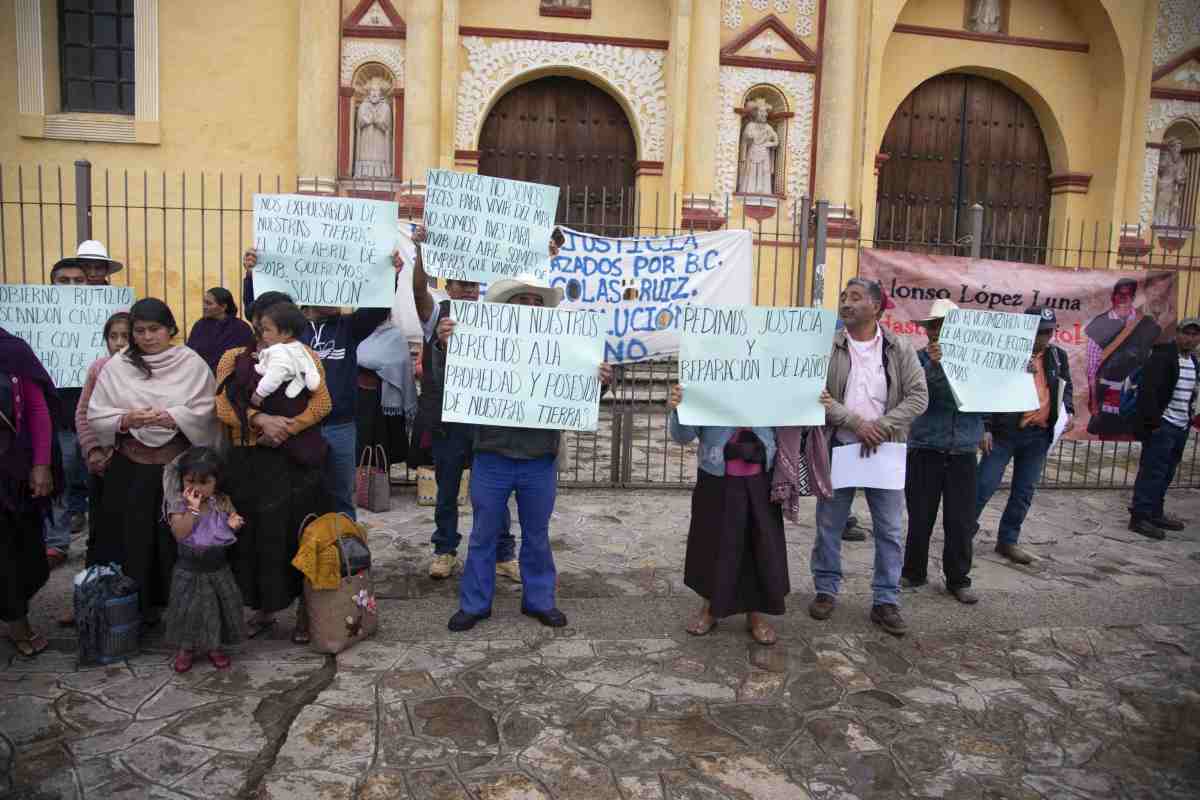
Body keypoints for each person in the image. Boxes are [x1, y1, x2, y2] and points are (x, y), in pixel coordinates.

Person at [443, 273, 614, 632]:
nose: (533, 307)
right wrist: (448, 346)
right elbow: (458, 377)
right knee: (483, 533)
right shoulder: (482, 342)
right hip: (492, 454)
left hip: (539, 458)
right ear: (507, 307)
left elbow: (575, 400)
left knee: (537, 534)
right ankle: (474, 604)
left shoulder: (562, 346)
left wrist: (595, 383)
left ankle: (539, 601)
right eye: (524, 300)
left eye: (538, 302)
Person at [87, 298, 221, 620]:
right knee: (132, 540)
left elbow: (206, 410)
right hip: (130, 469)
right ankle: (138, 610)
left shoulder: (191, 364)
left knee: (174, 540)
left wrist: (173, 417)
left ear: (171, 329)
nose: (147, 337)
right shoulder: (117, 366)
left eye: (154, 329)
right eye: (140, 331)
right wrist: (127, 419)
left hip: (176, 470)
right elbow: (97, 413)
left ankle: (179, 611)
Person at [810, 278, 928, 637]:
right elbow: (818, 394)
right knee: (829, 525)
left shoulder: (899, 348)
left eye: (856, 297)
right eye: (843, 297)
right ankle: (826, 590)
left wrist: (882, 427)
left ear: (876, 307)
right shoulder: (827, 347)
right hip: (841, 446)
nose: (846, 303)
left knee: (890, 529)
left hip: (885, 450)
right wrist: (856, 424)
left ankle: (885, 600)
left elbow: (918, 397)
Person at [243, 250, 398, 519]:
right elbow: (259, 313)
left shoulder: (349, 327)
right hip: (296, 426)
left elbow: (377, 307)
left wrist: (391, 275)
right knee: (297, 494)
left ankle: (343, 553)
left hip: (340, 426)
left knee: (341, 497)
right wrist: (251, 274)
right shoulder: (289, 328)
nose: (340, 296)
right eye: (333, 289)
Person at [215, 290, 333, 643]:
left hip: (294, 464)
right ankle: (261, 609)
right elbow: (221, 406)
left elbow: (322, 403)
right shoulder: (232, 358)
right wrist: (259, 420)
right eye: (260, 322)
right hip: (248, 462)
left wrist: (285, 429)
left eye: (269, 323)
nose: (261, 329)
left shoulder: (306, 356)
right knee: (252, 539)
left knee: (298, 537)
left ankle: (306, 614)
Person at [410, 225, 518, 582]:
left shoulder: (492, 315)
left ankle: (504, 554)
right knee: (447, 490)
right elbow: (417, 291)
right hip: (447, 420)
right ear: (449, 286)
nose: (470, 290)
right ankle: (445, 550)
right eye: (462, 284)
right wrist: (421, 252)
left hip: (485, 419)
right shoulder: (436, 315)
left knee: (496, 491)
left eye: (474, 285)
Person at [665, 386, 788, 645]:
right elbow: (682, 436)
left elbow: (791, 421)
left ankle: (756, 613)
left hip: (761, 476)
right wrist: (678, 408)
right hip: (716, 474)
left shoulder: (772, 372)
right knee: (712, 543)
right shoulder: (707, 373)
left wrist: (809, 396)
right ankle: (710, 608)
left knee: (760, 544)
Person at [900, 299, 985, 604]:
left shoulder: (975, 361)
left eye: (945, 326)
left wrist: (1020, 374)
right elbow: (919, 398)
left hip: (962, 450)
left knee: (960, 520)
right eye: (935, 326)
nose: (938, 331)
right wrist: (936, 366)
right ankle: (913, 572)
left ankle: (958, 579)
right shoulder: (918, 359)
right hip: (926, 447)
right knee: (920, 515)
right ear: (928, 331)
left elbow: (989, 395)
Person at [975, 306, 1074, 565]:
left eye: (1048, 331)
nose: (1043, 337)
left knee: (1023, 491)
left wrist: (1069, 411)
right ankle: (962, 533)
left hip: (1038, 436)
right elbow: (985, 391)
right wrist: (984, 427)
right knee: (983, 485)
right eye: (1038, 331)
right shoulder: (1005, 356)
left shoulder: (1057, 357)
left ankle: (1008, 540)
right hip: (1004, 435)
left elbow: (1066, 388)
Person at [55, 311, 131, 627]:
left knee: (136, 535)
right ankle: (88, 599)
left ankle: (135, 601)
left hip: (136, 463)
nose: (119, 343)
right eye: (113, 337)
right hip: (102, 466)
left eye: (125, 336)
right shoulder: (98, 369)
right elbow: (83, 414)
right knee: (100, 535)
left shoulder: (151, 370)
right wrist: (93, 451)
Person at [0, 328, 60, 656]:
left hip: (11, 473)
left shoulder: (13, 351)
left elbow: (37, 411)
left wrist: (41, 464)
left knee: (19, 552)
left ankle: (14, 611)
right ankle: (16, 622)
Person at [163, 447, 246, 673]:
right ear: (181, 480)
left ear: (216, 482)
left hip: (217, 568)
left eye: (204, 482)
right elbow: (180, 532)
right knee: (188, 611)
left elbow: (231, 520)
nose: (196, 488)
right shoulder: (179, 503)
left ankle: (214, 647)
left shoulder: (221, 501)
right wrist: (193, 509)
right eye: (190, 481)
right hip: (189, 570)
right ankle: (186, 649)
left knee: (215, 610)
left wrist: (235, 522)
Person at [1127, 317, 1200, 539]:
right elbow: (1148, 394)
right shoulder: (1162, 357)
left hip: (1180, 425)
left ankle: (1155, 512)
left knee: (1167, 472)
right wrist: (1154, 424)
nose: (1191, 338)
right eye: (1186, 333)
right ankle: (1139, 517)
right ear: (1177, 334)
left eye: (1195, 334)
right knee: (1152, 471)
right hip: (1163, 425)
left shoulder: (1194, 361)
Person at [42, 258, 92, 568]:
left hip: (93, 418)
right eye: (64, 280)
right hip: (56, 416)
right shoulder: (38, 321)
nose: (72, 286)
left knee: (100, 487)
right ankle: (56, 545)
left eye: (79, 280)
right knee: (59, 481)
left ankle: (99, 546)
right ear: (52, 284)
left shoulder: (105, 318)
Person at [1086, 279, 1161, 438]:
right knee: (1107, 439)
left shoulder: (1149, 325)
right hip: (1107, 394)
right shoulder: (1098, 324)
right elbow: (1092, 368)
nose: (1123, 299)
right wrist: (1093, 400)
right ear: (1113, 296)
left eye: (1127, 295)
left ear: (1133, 298)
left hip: (1135, 394)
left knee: (1133, 438)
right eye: (1120, 295)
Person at [355, 316, 416, 476]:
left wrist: (375, 364)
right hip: (358, 397)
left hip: (384, 399)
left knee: (382, 443)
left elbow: (400, 363)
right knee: (360, 442)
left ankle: (379, 485)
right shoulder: (356, 330)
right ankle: (360, 483)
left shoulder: (395, 335)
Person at [186, 287, 255, 374]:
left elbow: (245, 358)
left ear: (223, 307)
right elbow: (190, 352)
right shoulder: (199, 325)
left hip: (228, 380)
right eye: (204, 302)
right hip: (200, 376)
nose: (204, 306)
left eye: (209, 303)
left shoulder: (241, 328)